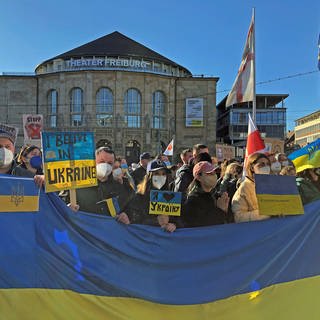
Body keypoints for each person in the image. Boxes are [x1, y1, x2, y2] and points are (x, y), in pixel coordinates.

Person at [69, 147, 135, 224]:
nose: (105, 165)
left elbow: (129, 206)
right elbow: (61, 202)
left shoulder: (120, 186)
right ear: (93, 161)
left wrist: (127, 215)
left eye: (110, 163)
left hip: (107, 233)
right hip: (84, 231)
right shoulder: (77, 184)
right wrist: (67, 207)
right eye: (101, 161)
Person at [126, 159, 177, 232]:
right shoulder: (139, 197)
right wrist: (156, 221)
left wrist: (173, 225)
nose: (161, 177)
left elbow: (177, 219)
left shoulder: (171, 197)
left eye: (163, 174)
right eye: (156, 174)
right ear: (149, 176)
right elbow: (134, 221)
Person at [181, 161, 229, 228]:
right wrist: (220, 210)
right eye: (209, 173)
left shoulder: (216, 196)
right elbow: (203, 225)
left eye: (214, 173)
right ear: (198, 177)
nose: (214, 176)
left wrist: (226, 209)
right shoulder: (193, 201)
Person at [232, 153, 271, 223]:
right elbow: (238, 217)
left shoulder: (271, 184)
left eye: (268, 164)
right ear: (252, 168)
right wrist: (266, 213)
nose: (266, 167)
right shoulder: (244, 188)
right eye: (261, 164)